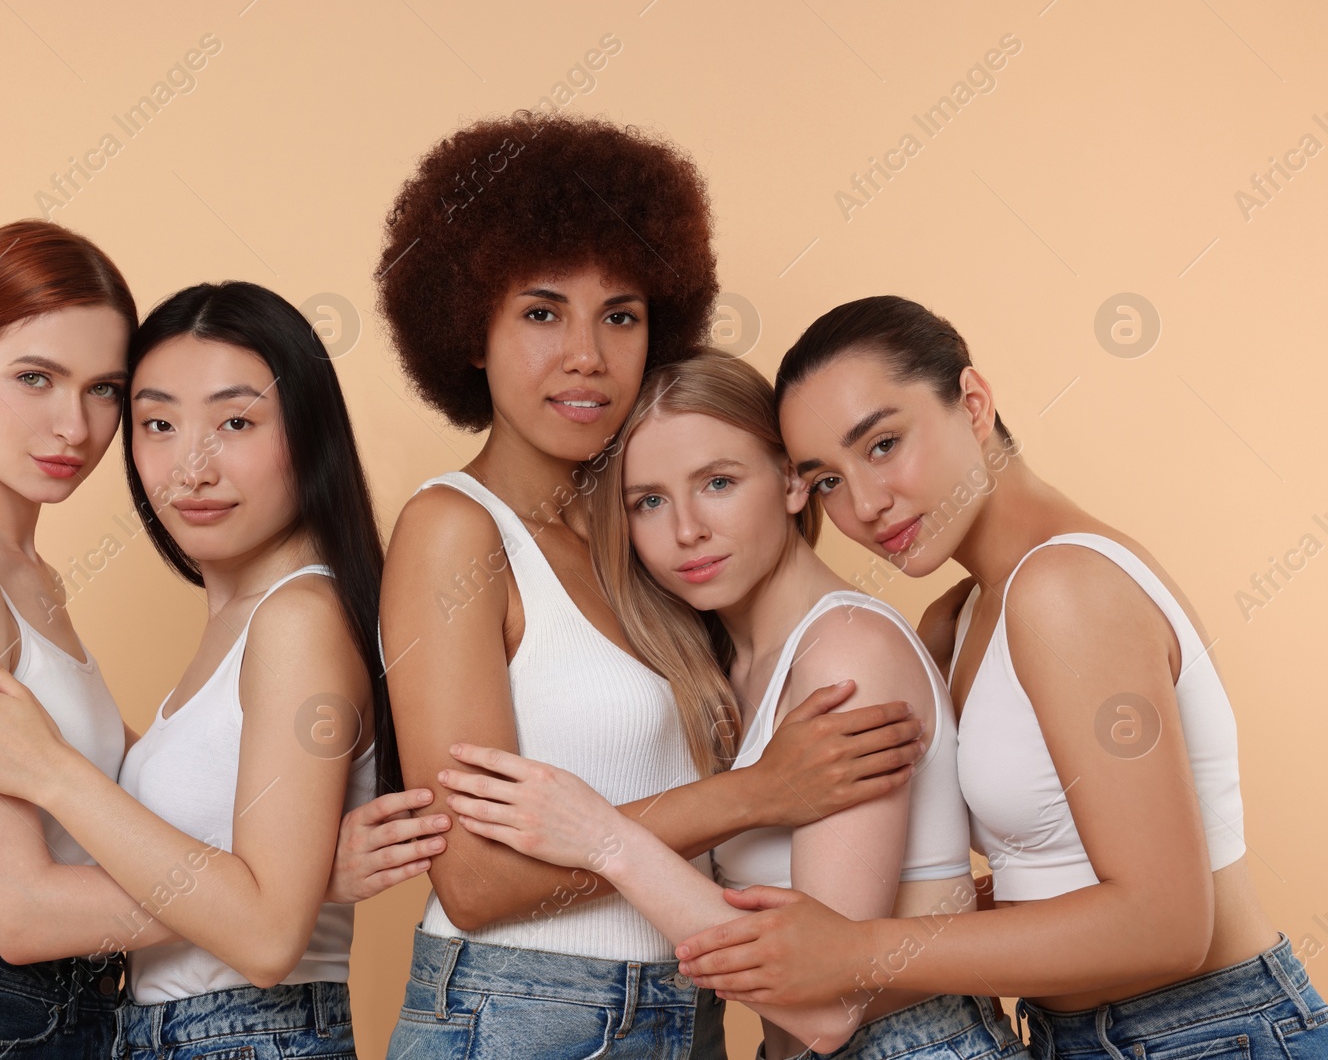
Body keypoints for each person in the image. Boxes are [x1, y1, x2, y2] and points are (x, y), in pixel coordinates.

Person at [374, 114, 928, 1059]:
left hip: (690, 1000)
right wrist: (758, 792)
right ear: (470, 330)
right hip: (518, 1012)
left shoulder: (656, 539)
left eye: (620, 315)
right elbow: (474, 883)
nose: (586, 354)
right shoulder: (453, 532)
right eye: (542, 312)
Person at [670, 296, 1328, 1060]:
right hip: (1078, 1036)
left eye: (883, 443)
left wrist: (854, 950)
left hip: (1209, 1034)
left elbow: (1168, 924)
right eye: (826, 482)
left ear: (974, 404)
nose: (866, 505)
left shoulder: (1065, 585)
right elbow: (1067, 867)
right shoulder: (962, 617)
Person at [0, 247, 431, 1060]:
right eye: (34, 377)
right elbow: (19, 909)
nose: (73, 426)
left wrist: (276, 897)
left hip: (89, 1017)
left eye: (101, 391)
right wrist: (289, 890)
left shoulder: (42, 580)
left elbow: (131, 833)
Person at [438, 352, 1025, 1060]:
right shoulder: (726, 665)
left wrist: (607, 839)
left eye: (717, 482)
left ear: (789, 481)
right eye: (648, 500)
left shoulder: (844, 656)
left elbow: (828, 1005)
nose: (686, 529)